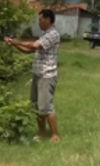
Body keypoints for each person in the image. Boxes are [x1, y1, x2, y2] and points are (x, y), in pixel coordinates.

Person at [4, 9, 61, 142]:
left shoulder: (53, 34)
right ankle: (41, 133)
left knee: (46, 107)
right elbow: (28, 50)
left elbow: (34, 45)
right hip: (37, 74)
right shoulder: (44, 34)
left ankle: (55, 135)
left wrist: (16, 41)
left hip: (47, 76)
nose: (39, 22)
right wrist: (13, 44)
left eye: (40, 19)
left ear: (48, 20)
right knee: (36, 106)